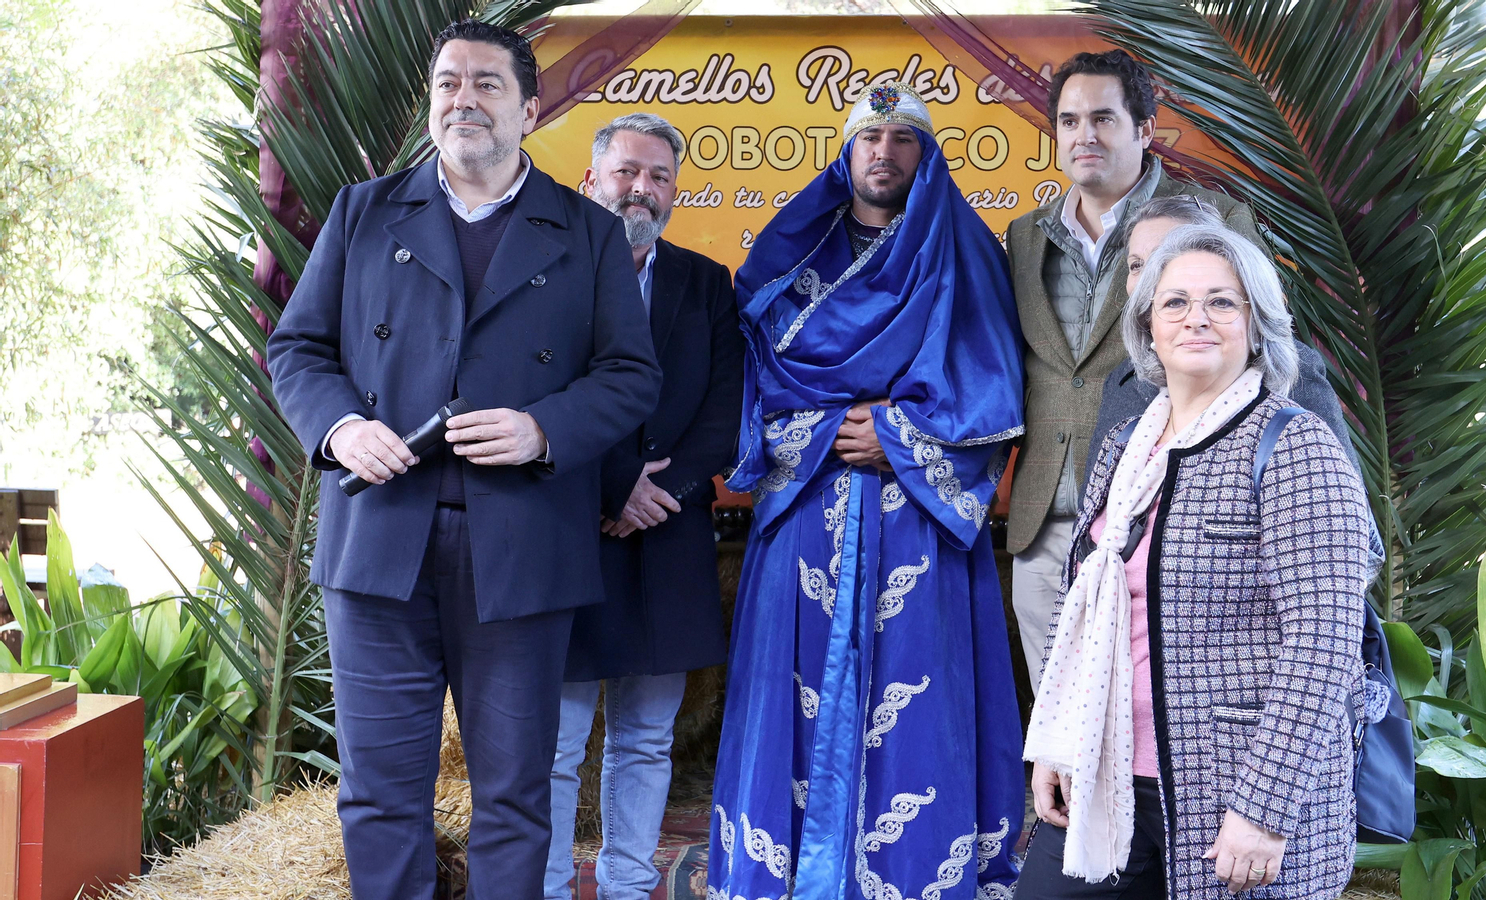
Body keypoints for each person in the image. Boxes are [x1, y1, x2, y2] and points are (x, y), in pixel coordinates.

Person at [265, 20, 660, 899]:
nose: (462, 100)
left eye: (487, 84)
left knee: (517, 798)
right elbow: (297, 351)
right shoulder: (363, 211)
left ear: (529, 106)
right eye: (449, 83)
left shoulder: (589, 232)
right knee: (378, 795)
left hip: (521, 549)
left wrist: (544, 429)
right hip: (378, 547)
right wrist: (338, 430)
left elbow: (633, 378)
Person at [710, 82, 1025, 900]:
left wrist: (895, 437)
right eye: (868, 138)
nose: (882, 152)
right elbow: (748, 380)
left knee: (921, 706)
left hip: (916, 520)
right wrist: (824, 434)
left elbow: (993, 394)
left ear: (927, 155)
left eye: (902, 138)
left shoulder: (964, 251)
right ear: (845, 153)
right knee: (787, 694)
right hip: (807, 512)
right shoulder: (794, 250)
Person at [1018, 224, 1370, 899]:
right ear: (1147, 325)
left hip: (1232, 797)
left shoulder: (1296, 446)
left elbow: (1324, 645)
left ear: (1258, 323)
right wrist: (1056, 744)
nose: (1196, 319)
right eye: (1175, 302)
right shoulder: (1127, 442)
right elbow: (1080, 607)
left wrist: (1264, 810)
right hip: (1107, 773)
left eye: (1221, 302)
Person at [1004, 49, 1267, 694]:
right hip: (1046, 521)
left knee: (1154, 727)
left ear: (1145, 131)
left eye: (1103, 118)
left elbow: (1256, 353)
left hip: (1162, 517)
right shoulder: (1025, 236)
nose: (1083, 137)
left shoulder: (1210, 221)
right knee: (1061, 727)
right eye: (1068, 121)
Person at [543, 113, 743, 900]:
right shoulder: (548, 270)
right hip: (568, 531)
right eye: (628, 171)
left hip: (666, 535)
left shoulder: (704, 280)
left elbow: (725, 410)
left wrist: (657, 493)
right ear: (592, 181)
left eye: (659, 175)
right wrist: (609, 484)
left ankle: (629, 887)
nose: (643, 188)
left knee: (647, 740)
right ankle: (550, 886)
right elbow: (533, 395)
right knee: (556, 744)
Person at [1086, 196, 1360, 483]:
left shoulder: (1290, 368)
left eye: (1166, 257)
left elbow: (1339, 497)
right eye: (1137, 265)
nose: (1150, 278)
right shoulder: (1122, 379)